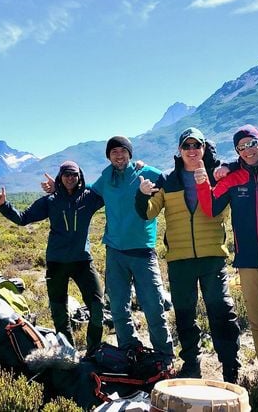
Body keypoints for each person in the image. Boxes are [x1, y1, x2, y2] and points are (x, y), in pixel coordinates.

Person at [135, 127, 241, 383]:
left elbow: (250, 163)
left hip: (212, 257)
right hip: (180, 260)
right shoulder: (169, 181)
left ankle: (230, 368)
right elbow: (147, 213)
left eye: (197, 146)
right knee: (184, 314)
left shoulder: (218, 177)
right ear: (180, 151)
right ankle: (191, 364)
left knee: (222, 313)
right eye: (187, 146)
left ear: (204, 149)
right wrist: (141, 195)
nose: (192, 151)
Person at [196, 124, 258, 388]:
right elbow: (210, 208)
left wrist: (231, 164)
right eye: (240, 148)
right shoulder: (233, 178)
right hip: (248, 260)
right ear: (237, 151)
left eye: (251, 144)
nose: (247, 151)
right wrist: (203, 183)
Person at [0, 160, 105, 355]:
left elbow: (111, 190)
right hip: (57, 263)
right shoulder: (51, 201)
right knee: (59, 313)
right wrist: (4, 206)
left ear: (80, 177)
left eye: (74, 175)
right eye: (66, 174)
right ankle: (68, 352)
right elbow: (23, 218)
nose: (70, 178)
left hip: (82, 261)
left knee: (97, 307)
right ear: (61, 176)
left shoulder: (90, 198)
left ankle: (93, 350)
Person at [90, 136, 174, 359]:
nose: (119, 155)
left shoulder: (145, 173)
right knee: (118, 307)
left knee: (154, 306)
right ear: (108, 156)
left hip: (142, 251)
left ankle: (164, 356)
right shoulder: (106, 178)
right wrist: (59, 186)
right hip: (115, 252)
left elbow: (171, 178)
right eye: (114, 152)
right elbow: (88, 191)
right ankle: (129, 350)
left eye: (122, 151)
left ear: (130, 153)